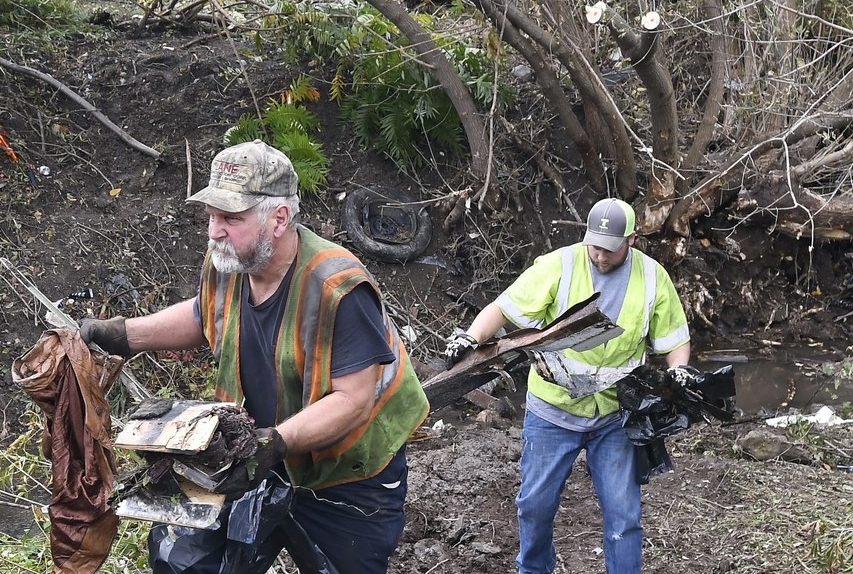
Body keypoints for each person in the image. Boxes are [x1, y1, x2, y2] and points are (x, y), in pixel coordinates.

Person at [80, 140, 430, 574]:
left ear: (279, 218)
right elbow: (205, 312)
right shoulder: (229, 260)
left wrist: (274, 444)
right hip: (250, 454)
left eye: (231, 218)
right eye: (212, 216)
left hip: (344, 476)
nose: (214, 231)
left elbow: (353, 400)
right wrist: (123, 334)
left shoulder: (336, 287)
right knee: (188, 562)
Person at [453, 198, 691, 574]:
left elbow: (674, 339)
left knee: (623, 513)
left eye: (609, 250)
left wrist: (679, 372)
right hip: (553, 410)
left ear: (630, 240)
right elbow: (504, 307)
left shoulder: (652, 277)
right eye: (594, 246)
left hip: (614, 414)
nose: (599, 256)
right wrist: (469, 337)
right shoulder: (559, 265)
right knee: (534, 505)